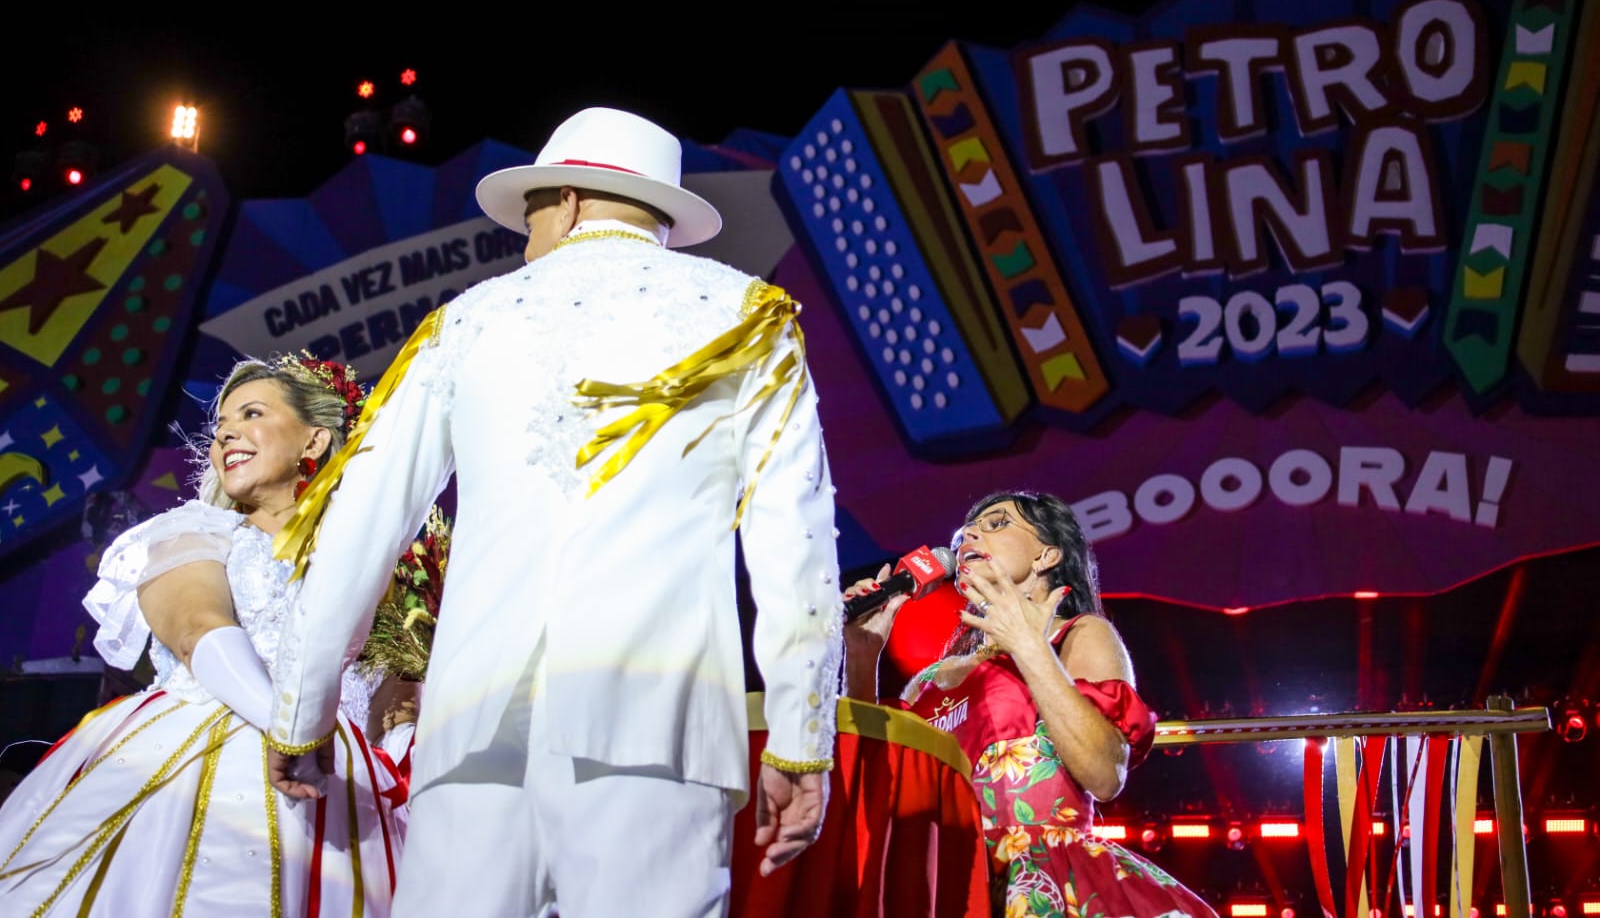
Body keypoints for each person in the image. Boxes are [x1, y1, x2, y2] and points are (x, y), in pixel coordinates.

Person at [266, 106, 841, 918]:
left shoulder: (467, 321)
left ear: (568, 201)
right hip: (654, 718)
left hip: (472, 723)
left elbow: (361, 523)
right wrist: (799, 738)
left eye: (530, 210)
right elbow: (794, 540)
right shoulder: (748, 315)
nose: (524, 235)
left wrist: (303, 711)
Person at [0, 355, 409, 917]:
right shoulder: (195, 531)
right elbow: (197, 630)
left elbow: (394, 693)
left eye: (252, 413)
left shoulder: (384, 565)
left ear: (314, 441)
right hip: (211, 753)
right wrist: (292, 729)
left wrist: (405, 742)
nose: (225, 434)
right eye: (219, 427)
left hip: (349, 790)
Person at [844, 491, 1218, 918]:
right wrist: (862, 655)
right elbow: (876, 794)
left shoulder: (1078, 636)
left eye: (997, 523)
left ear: (1046, 556)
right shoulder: (928, 683)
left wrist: (1028, 647)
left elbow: (1105, 774)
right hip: (949, 884)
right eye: (964, 532)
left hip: (1046, 886)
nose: (969, 536)